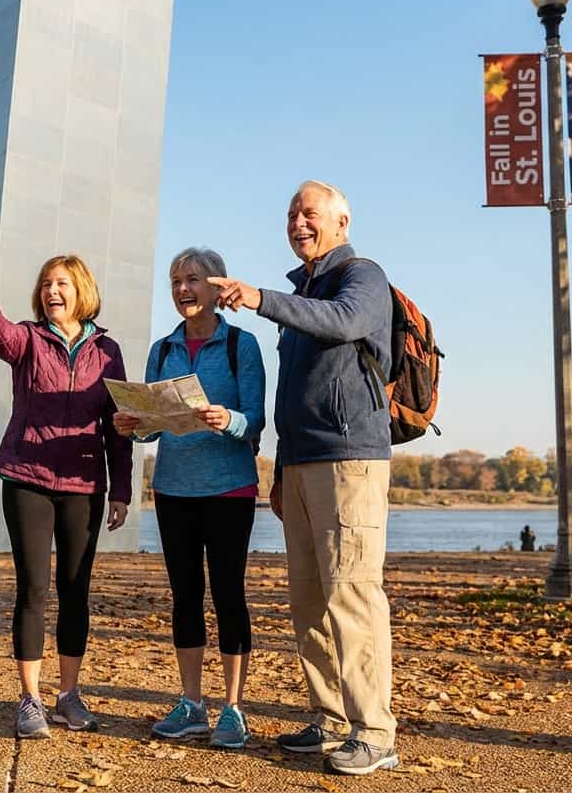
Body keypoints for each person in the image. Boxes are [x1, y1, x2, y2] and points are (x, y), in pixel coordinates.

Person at [210, 180, 399, 776]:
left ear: (341, 221)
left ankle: (375, 731)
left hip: (351, 461)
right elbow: (295, 393)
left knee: (352, 594)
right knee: (309, 599)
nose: (297, 222)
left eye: (309, 212)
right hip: (303, 466)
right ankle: (331, 718)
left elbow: (343, 322)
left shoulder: (362, 276)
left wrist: (261, 298)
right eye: (291, 213)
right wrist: (282, 469)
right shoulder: (303, 294)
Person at [0, 255, 131, 740]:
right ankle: (30, 698)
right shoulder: (30, 340)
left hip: (83, 485)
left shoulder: (108, 350)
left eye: (62, 284)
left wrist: (121, 489)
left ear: (81, 290)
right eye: (46, 284)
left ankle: (68, 696)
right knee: (33, 588)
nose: (52, 291)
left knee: (76, 591)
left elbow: (118, 428)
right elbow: (1, 336)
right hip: (27, 478)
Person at [113, 247, 266, 749]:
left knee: (228, 595)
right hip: (173, 490)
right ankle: (192, 702)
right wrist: (134, 426)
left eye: (193, 279)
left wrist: (229, 420)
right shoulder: (162, 350)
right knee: (185, 598)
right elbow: (153, 430)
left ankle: (234, 709)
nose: (183, 288)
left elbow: (255, 421)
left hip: (229, 489)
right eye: (176, 280)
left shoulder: (241, 345)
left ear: (217, 286)